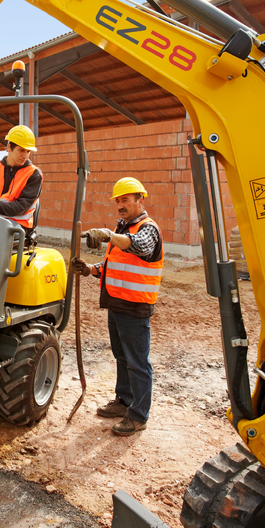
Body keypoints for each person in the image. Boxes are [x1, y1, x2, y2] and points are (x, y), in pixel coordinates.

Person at [72, 177, 162, 436]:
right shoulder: (123, 228)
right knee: (122, 357)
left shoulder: (147, 228)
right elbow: (113, 266)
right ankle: (124, 401)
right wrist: (90, 269)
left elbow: (140, 248)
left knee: (137, 362)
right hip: (117, 303)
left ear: (139, 200)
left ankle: (138, 415)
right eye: (118, 200)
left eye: (126, 200)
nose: (121, 205)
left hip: (135, 307)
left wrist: (110, 235)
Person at [0, 125, 42, 229]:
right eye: (22, 150)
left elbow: (21, 207)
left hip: (17, 222)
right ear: (9, 147)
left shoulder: (34, 174)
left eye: (28, 151)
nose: (26, 155)